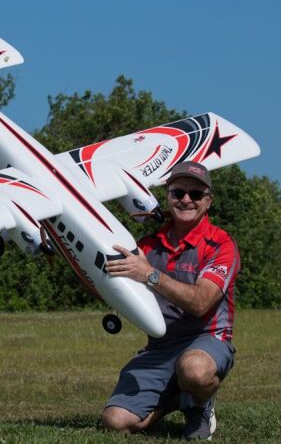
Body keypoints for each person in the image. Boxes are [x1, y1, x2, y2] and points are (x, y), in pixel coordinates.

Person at [101, 160, 239, 440]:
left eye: (195, 194)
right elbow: (108, 282)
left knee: (195, 370)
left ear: (208, 201)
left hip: (207, 338)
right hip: (161, 346)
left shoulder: (221, 245)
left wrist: (150, 275)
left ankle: (199, 406)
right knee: (115, 421)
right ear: (167, 196)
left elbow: (201, 303)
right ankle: (176, 397)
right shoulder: (148, 245)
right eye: (178, 192)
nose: (186, 200)